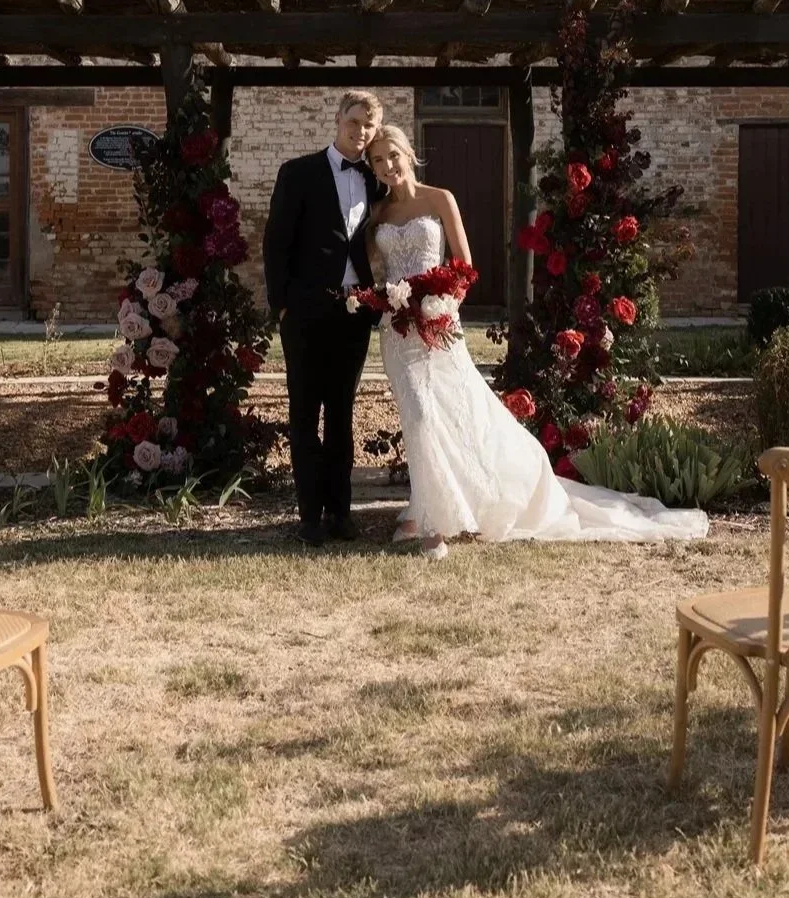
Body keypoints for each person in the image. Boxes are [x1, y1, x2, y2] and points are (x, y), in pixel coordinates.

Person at [365, 123, 709, 559]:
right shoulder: (378, 215)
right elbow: (373, 271)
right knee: (416, 415)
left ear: (408, 152)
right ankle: (425, 511)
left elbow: (464, 267)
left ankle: (437, 519)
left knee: (450, 413)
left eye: (392, 155)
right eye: (378, 160)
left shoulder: (440, 199)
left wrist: (441, 306)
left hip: (440, 324)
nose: (387, 166)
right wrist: (386, 300)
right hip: (398, 331)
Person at [263, 90, 387, 547]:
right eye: (354, 122)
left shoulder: (376, 181)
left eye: (369, 126)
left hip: (354, 313)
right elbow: (276, 242)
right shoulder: (298, 173)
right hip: (305, 313)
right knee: (304, 414)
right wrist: (281, 305)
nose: (360, 132)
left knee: (341, 415)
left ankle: (341, 513)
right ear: (337, 119)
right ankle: (309, 518)